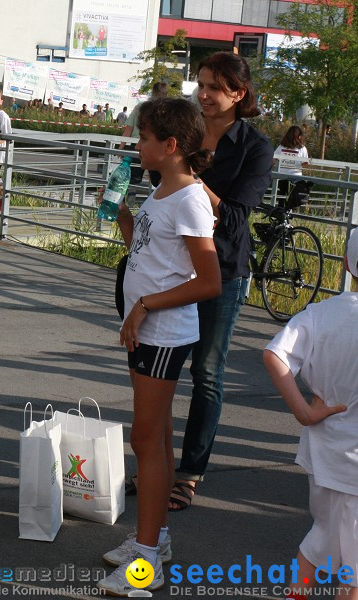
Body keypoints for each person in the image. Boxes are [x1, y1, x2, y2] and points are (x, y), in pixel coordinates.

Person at [97, 98, 220, 596]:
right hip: (145, 330)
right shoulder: (164, 190)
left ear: (171, 146)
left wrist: (146, 304)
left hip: (163, 334)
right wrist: (121, 209)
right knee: (157, 438)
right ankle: (155, 538)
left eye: (144, 138)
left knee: (145, 440)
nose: (137, 144)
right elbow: (144, 246)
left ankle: (145, 560)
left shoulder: (189, 198)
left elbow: (209, 280)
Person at [164, 52, 273, 511]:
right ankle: (154, 465)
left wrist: (188, 177)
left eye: (214, 87)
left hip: (223, 272)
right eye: (201, 84)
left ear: (238, 94)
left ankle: (189, 473)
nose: (203, 94)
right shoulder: (184, 130)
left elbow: (233, 219)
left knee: (206, 372)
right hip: (170, 264)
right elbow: (161, 186)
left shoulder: (255, 147)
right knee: (162, 368)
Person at [263, 227, 357, 600]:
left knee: (320, 537)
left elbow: (274, 354)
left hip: (323, 455)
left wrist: (303, 411)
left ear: (348, 263)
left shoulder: (320, 314)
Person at [274, 125, 310, 201]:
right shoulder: (302, 148)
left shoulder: (281, 147)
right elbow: (306, 163)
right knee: (292, 199)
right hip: (295, 176)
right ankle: (288, 211)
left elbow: (274, 159)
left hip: (282, 175)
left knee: (282, 197)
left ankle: (280, 211)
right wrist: (298, 165)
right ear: (299, 136)